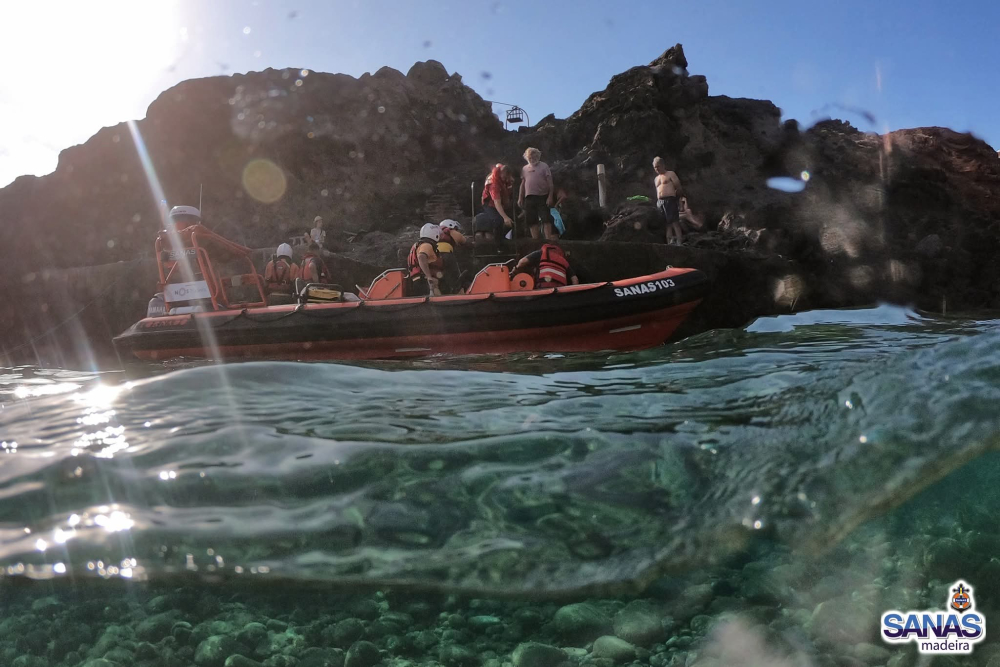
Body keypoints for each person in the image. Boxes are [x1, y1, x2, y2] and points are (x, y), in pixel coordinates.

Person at [518, 148, 556, 240]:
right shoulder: (524, 169)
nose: (532, 159)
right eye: (530, 157)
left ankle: (548, 239)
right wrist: (520, 197)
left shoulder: (544, 166)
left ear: (538, 156)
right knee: (531, 220)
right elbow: (522, 184)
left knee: (546, 218)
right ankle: (535, 240)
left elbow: (550, 183)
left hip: (543, 196)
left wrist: (550, 196)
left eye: (534, 157)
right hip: (529, 197)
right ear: (527, 158)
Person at [474, 164, 514, 242]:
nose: (506, 179)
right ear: (500, 173)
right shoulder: (493, 184)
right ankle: (498, 243)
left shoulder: (504, 175)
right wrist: (505, 217)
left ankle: (502, 237)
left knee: (513, 220)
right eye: (505, 177)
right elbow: (497, 202)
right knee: (498, 220)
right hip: (489, 203)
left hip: (501, 203)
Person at [514, 242, 579, 287]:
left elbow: (522, 262)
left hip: (543, 289)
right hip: (561, 291)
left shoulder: (541, 253)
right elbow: (575, 279)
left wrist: (516, 269)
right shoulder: (563, 260)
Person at [653, 157, 683, 245]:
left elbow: (678, 187)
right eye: (655, 167)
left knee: (674, 222)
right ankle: (669, 243)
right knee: (666, 224)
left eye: (658, 166)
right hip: (660, 202)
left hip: (670, 200)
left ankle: (679, 242)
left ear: (663, 165)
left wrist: (679, 201)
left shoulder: (670, 174)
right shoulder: (656, 179)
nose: (657, 169)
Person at [407, 223, 444, 296]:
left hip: (418, 281)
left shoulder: (420, 245)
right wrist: (429, 277)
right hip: (424, 281)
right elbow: (421, 257)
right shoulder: (427, 245)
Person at [437, 220, 467, 294]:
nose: (457, 231)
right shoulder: (450, 231)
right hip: (447, 255)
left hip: (436, 256)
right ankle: (458, 292)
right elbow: (462, 240)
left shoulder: (437, 233)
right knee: (456, 277)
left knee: (442, 277)